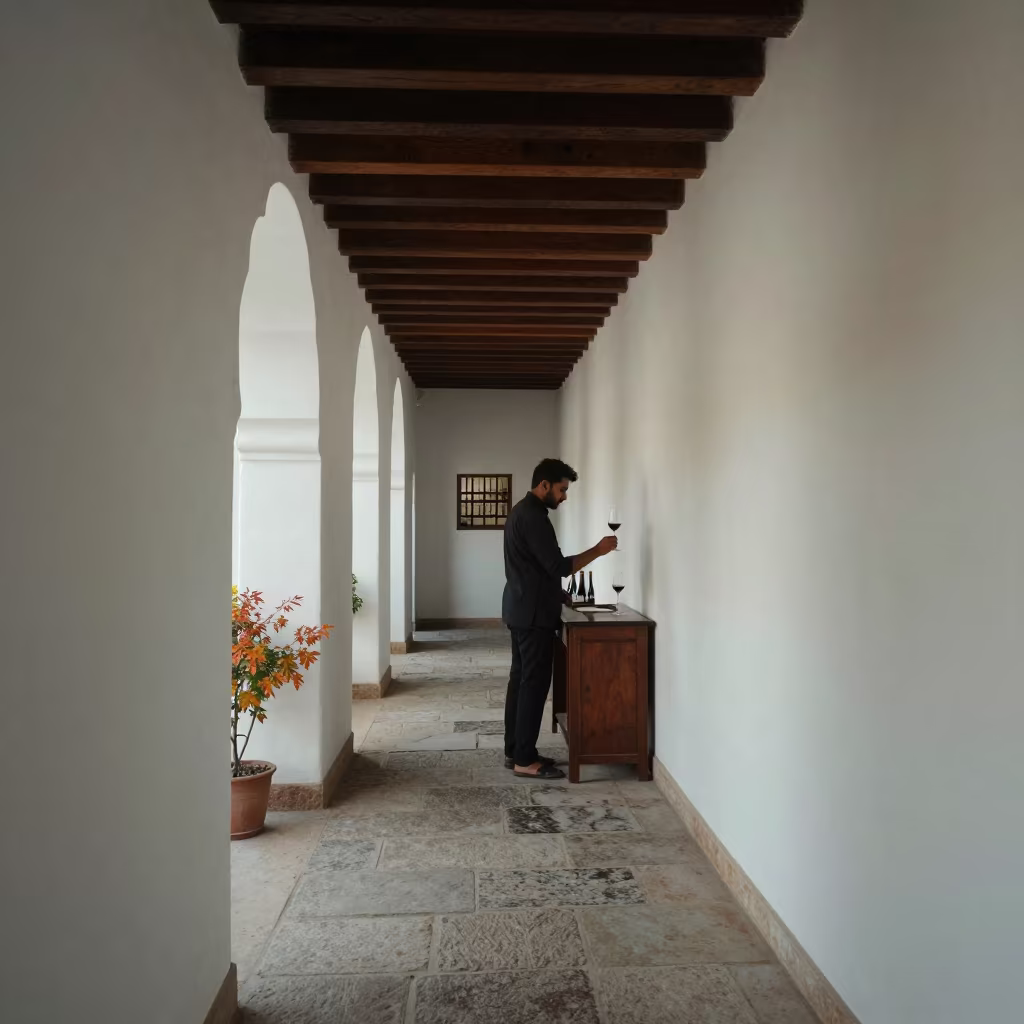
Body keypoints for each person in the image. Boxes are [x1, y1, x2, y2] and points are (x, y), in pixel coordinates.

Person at [501, 458, 618, 779]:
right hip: (533, 615)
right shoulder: (534, 517)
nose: (564, 497)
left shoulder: (519, 512)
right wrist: (599, 549)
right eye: (562, 490)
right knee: (533, 686)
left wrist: (558, 593)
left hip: (521, 608)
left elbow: (535, 568)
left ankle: (516, 751)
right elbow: (558, 567)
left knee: (520, 683)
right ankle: (525, 760)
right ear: (544, 485)